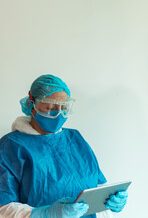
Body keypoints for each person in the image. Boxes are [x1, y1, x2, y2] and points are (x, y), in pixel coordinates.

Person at [0, 74, 128, 218]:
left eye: (64, 106)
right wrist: (45, 214)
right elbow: (3, 208)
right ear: (31, 105)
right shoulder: (10, 147)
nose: (59, 113)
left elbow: (97, 184)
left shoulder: (75, 138)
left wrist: (110, 199)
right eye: (50, 106)